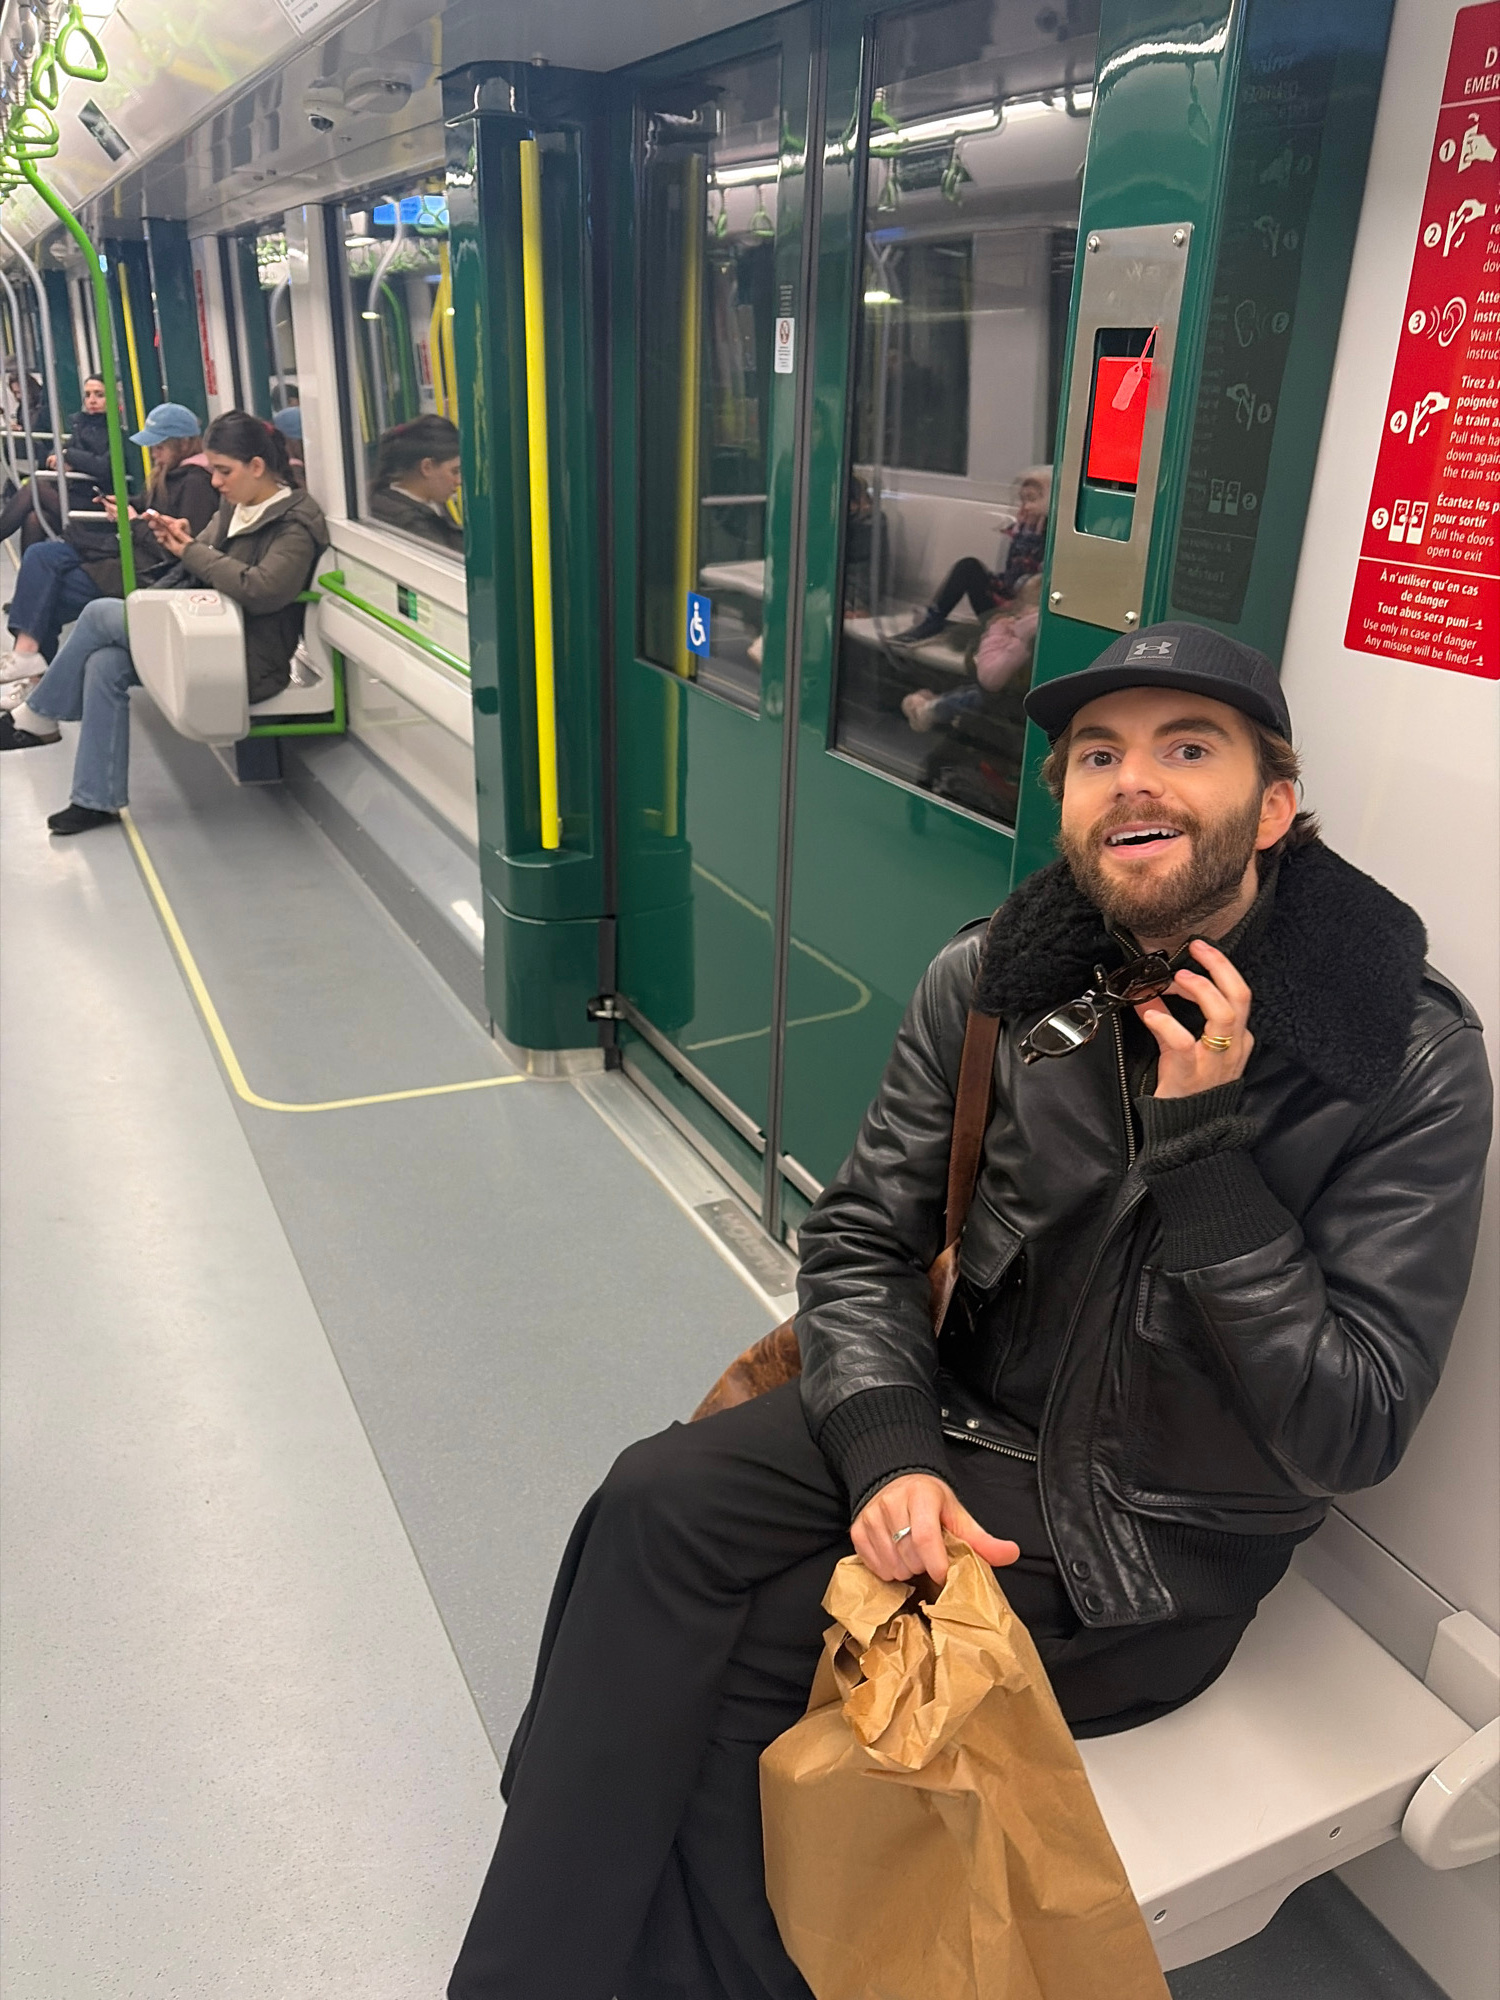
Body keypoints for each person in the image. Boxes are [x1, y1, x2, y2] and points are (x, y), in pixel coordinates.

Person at [446, 621, 1492, 2000]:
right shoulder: (1003, 976)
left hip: (1149, 1535)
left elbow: (1350, 1425)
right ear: (1065, 808)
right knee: (651, 1497)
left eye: (1189, 748)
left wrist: (1206, 1157)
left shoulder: (1404, 1058)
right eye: (1098, 757)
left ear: (1274, 808)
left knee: (764, 1655)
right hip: (962, 1413)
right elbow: (862, 1239)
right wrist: (890, 1452)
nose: (1136, 780)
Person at [0, 410, 328, 834]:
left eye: (224, 471)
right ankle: (95, 799)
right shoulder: (236, 507)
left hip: (245, 655)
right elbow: (202, 553)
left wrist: (192, 550)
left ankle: (40, 715)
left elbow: (262, 589)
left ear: (257, 466)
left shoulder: (294, 524)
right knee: (104, 664)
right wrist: (180, 538)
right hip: (206, 633)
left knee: (99, 614)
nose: (215, 481)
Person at [0, 403, 217, 704]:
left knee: (46, 595)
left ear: (182, 444)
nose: (154, 454)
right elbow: (150, 505)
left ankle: (36, 683)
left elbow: (178, 550)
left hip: (147, 570)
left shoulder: (196, 484)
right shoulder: (173, 474)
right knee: (40, 555)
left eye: (159, 447)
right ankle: (28, 661)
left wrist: (133, 522)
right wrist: (127, 503)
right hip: (128, 551)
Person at [894, 464, 1051, 644]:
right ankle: (934, 620)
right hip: (1005, 608)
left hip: (1027, 618)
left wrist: (1031, 543)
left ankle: (944, 626)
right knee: (968, 567)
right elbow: (1010, 578)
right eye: (1022, 501)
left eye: (1032, 500)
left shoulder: (1054, 537)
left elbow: (1029, 585)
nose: (1025, 507)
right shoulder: (1024, 530)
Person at [901, 571, 1043, 734]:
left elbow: (990, 679)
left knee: (969, 695)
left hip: (1005, 695)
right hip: (1006, 682)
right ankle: (938, 701)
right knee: (966, 682)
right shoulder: (1028, 631)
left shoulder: (1026, 638)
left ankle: (930, 709)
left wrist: (998, 632)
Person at [0, 373, 114, 552]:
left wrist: (69, 456)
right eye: (88, 395)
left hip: (99, 502)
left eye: (99, 395)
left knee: (36, 486)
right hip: (77, 494)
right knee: (34, 519)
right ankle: (29, 570)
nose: (92, 400)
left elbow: (103, 466)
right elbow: (59, 451)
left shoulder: (115, 429)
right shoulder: (81, 424)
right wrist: (62, 456)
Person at [367, 414, 464, 554]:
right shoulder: (411, 526)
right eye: (454, 471)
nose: (459, 481)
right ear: (427, 467)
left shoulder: (429, 502)